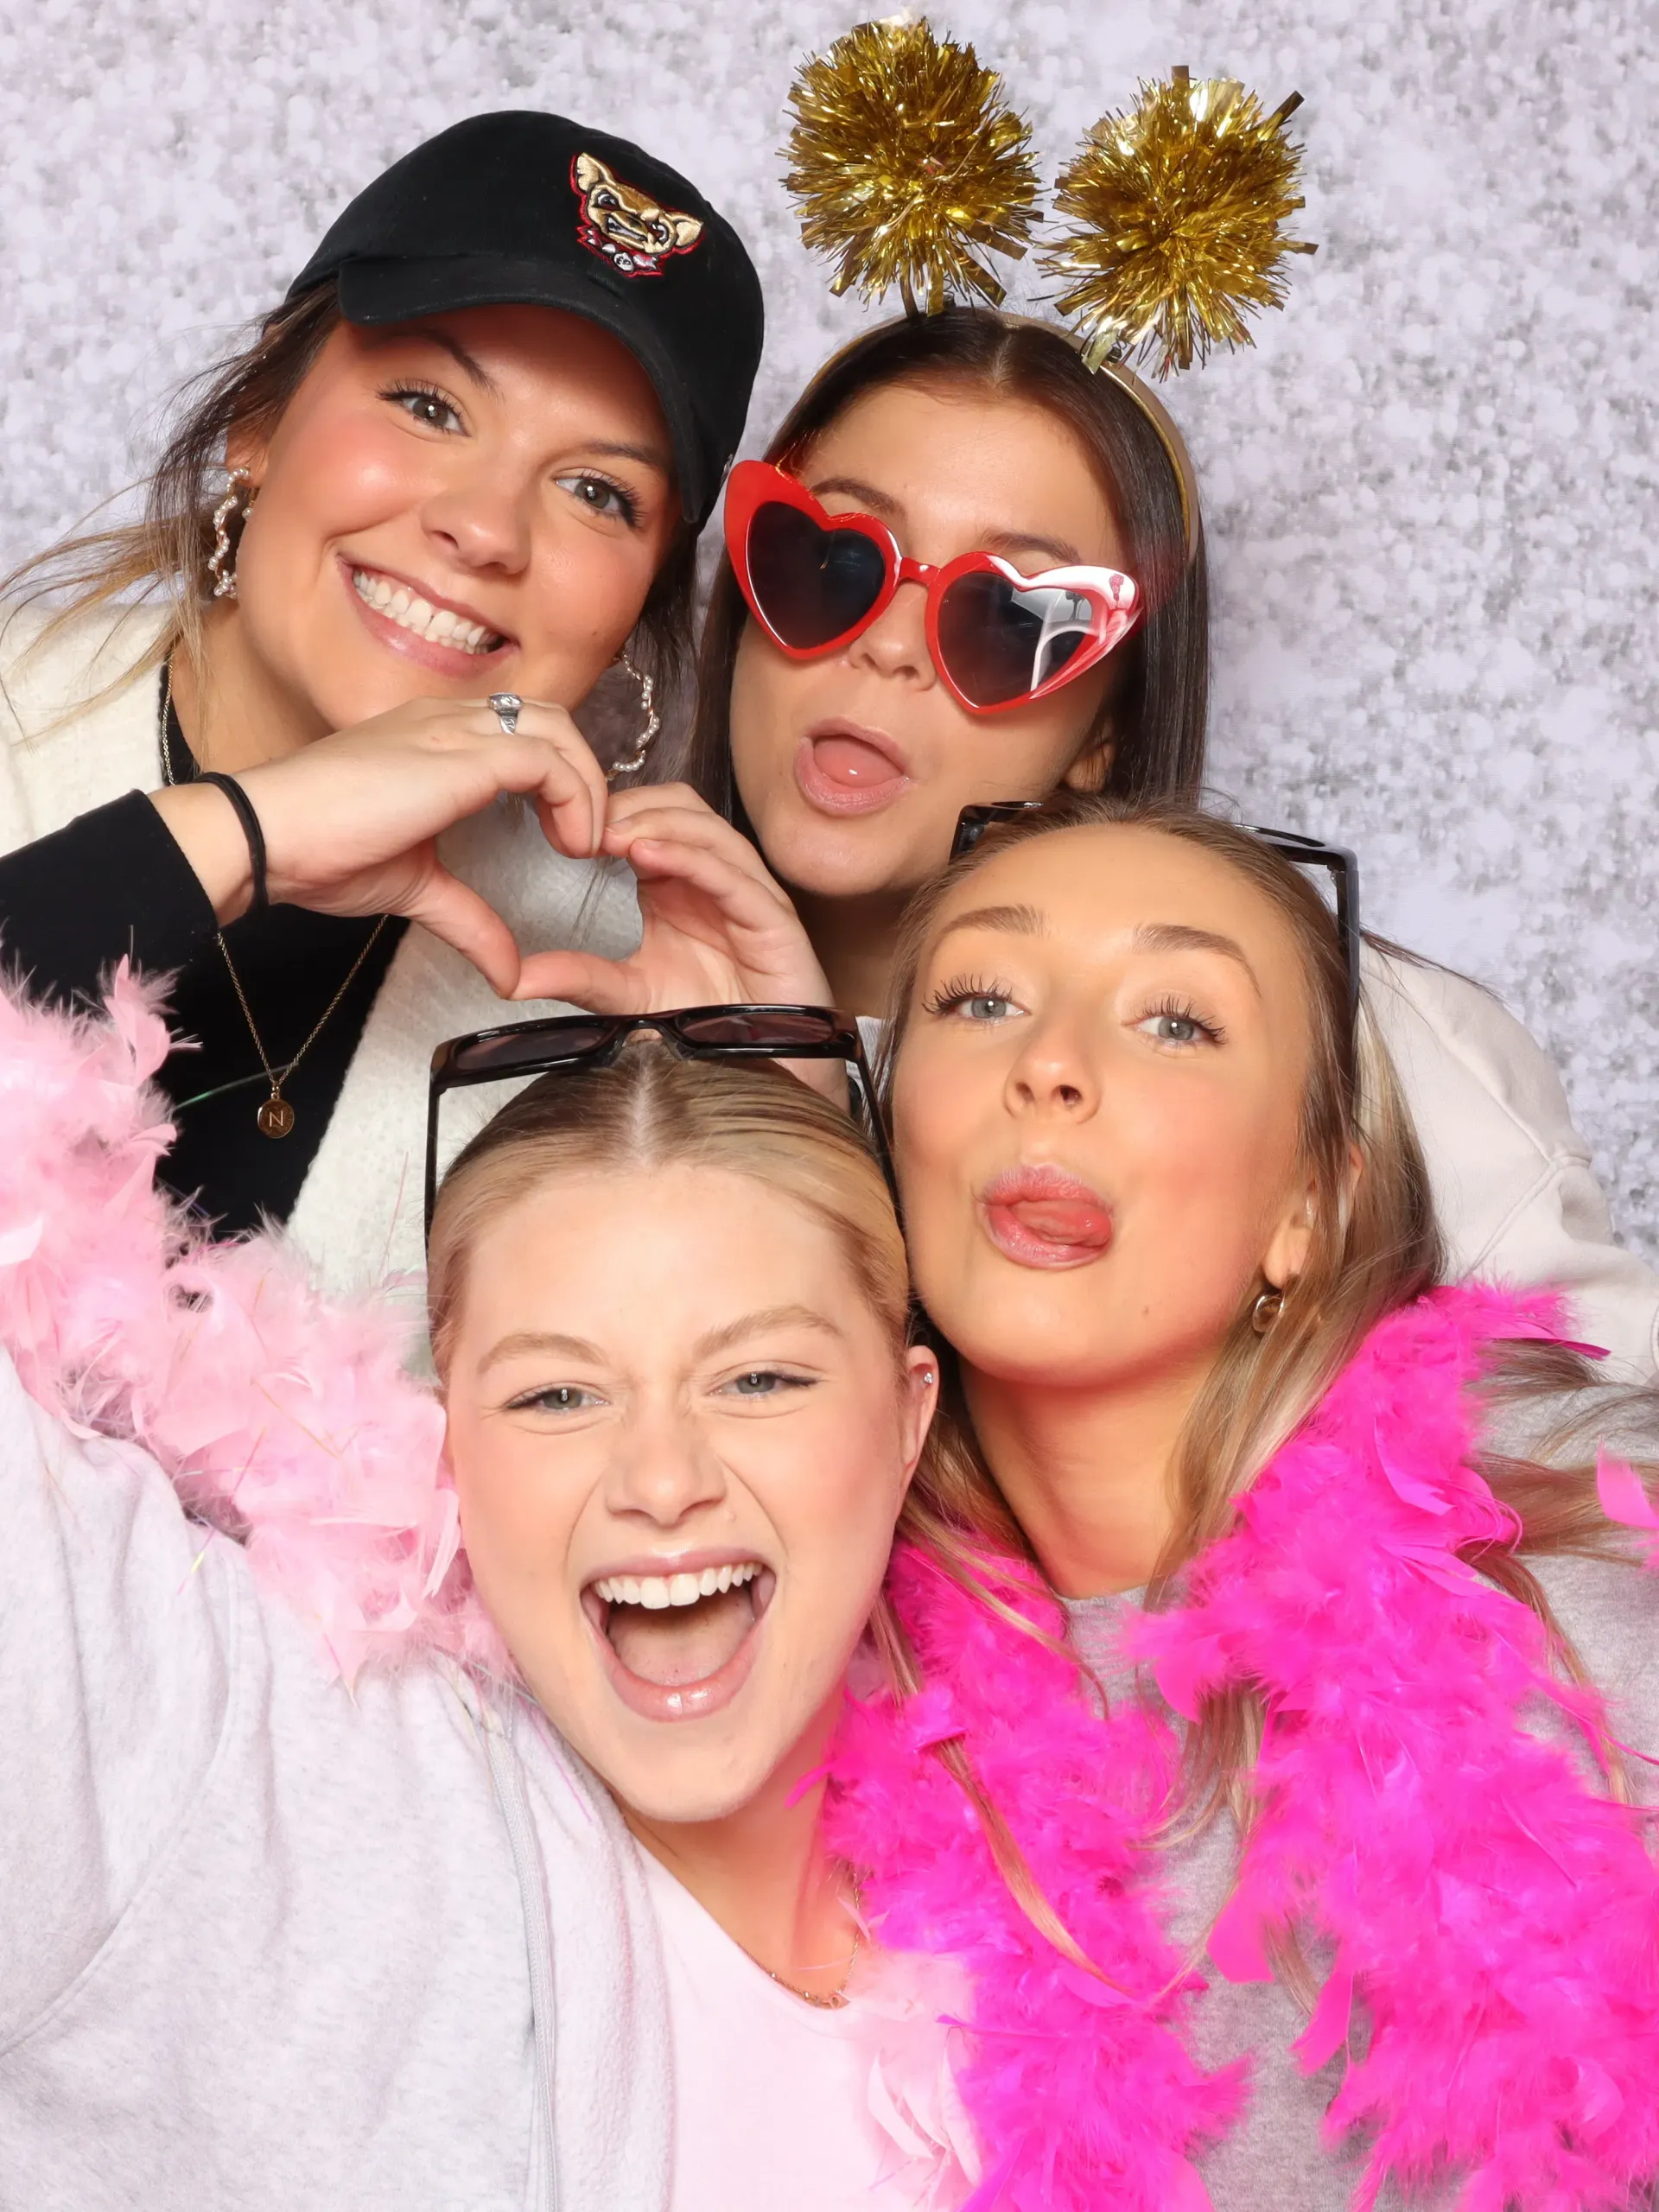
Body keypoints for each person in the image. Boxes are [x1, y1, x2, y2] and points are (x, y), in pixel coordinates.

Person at [0, 962, 1005, 2209]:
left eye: (759, 1380)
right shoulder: (258, 1767)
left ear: (909, 1422)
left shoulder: (1065, 1922)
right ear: (446, 1438)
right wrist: (237, 837)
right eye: (555, 1395)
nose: (660, 1476)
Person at [519, 307, 1658, 1377]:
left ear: (1106, 729)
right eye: (833, 563)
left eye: (1007, 616)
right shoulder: (553, 988)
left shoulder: (1363, 1048)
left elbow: (1611, 1483)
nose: (893, 650)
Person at [826, 793, 1659, 2210]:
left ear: (1310, 1212)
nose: (1051, 1067)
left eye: (1177, 1021)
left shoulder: (1576, 1577)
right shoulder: (808, 1667)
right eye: (979, 998)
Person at [0, 109, 763, 1285]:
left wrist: (759, 1098)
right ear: (260, 414)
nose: (484, 528)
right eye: (429, 406)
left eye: (597, 492)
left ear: (643, 606)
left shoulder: (616, 986)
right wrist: (239, 832)